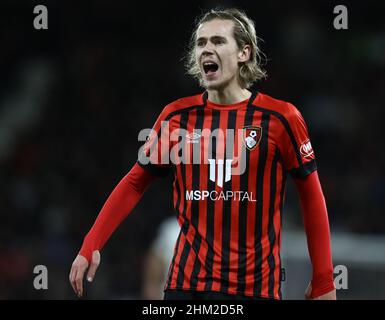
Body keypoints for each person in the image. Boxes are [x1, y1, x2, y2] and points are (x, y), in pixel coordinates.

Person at [69, 8, 336, 300]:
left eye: (218, 41)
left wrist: (323, 280)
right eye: (201, 43)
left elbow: (312, 197)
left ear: (244, 53)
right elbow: (135, 182)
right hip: (186, 288)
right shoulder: (175, 117)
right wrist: (91, 243)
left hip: (255, 290)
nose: (207, 48)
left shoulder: (281, 118)